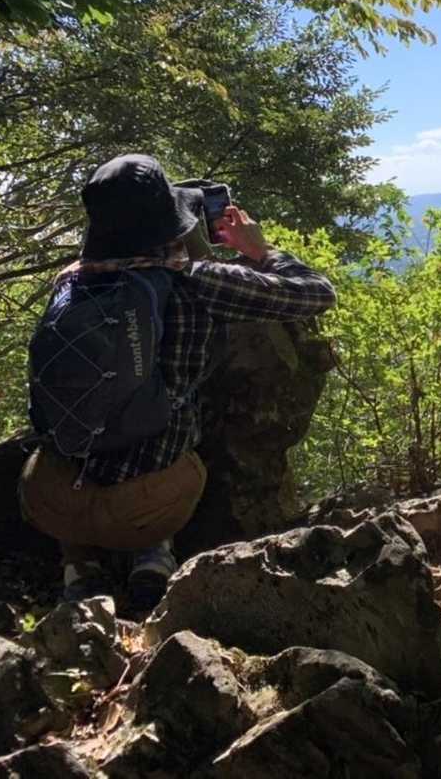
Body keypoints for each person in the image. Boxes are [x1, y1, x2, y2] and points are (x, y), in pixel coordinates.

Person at [19, 154, 336, 609]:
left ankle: (80, 568)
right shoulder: (196, 283)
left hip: (47, 501)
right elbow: (317, 292)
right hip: (143, 510)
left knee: (85, 423)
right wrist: (260, 252)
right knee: (183, 444)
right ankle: (153, 554)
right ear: (170, 227)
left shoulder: (69, 283)